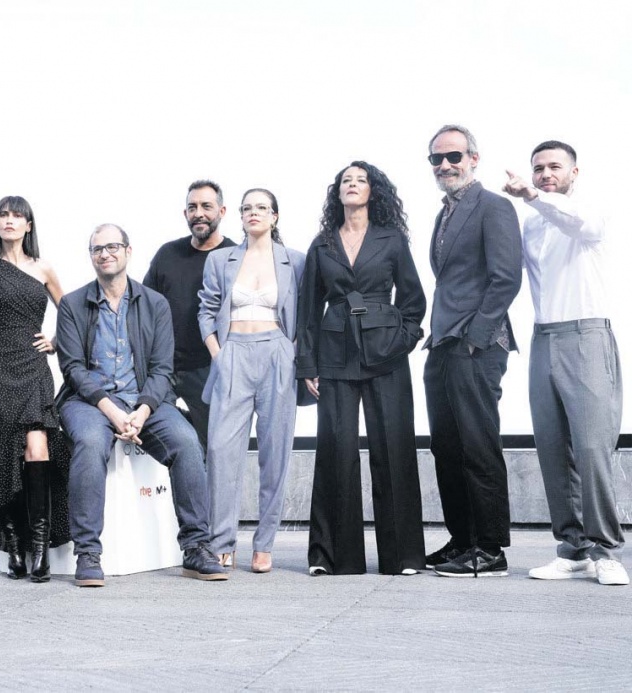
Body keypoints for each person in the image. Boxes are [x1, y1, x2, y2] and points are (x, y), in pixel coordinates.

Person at [57, 223, 226, 587]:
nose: (105, 254)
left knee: (186, 442)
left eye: (112, 246)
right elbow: (72, 369)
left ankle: (196, 547)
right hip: (89, 402)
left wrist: (143, 410)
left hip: (144, 400)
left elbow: (163, 368)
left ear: (128, 252)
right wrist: (112, 411)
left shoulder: (154, 303)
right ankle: (88, 552)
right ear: (91, 257)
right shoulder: (72, 304)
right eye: (97, 249)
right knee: (90, 442)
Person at [503, 141, 627, 586]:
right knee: (553, 448)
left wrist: (534, 196)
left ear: (575, 172)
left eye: (555, 166)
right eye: (538, 168)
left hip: (587, 334)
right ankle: (573, 550)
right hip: (543, 337)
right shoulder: (532, 222)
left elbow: (582, 225)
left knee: (592, 449)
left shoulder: (587, 210)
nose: (545, 174)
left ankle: (606, 551)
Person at [297, 162, 427, 576]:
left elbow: (414, 301)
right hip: (335, 353)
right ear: (337, 192)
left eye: (360, 180)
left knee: (394, 449)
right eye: (345, 181)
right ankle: (333, 557)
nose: (352, 185)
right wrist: (308, 365)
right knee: (336, 450)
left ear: (374, 191)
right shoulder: (322, 243)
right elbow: (307, 310)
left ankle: (403, 557)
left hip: (386, 353)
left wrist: (402, 340)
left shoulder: (392, 239)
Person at [422, 125, 522, 577]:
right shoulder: (443, 214)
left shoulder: (494, 206)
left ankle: (491, 547)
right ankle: (463, 540)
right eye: (437, 159)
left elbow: (506, 279)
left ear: (473, 159)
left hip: (477, 345)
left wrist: (475, 338)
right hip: (443, 342)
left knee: (478, 444)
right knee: (447, 446)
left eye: (454, 156)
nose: (445, 165)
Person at [0, 195, 69, 583]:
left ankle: (39, 549)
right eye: (3, 215)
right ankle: (13, 548)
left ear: (28, 225)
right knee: (1, 455)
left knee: (38, 448)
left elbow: (71, 313)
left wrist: (55, 341)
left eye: (17, 215)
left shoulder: (44, 268)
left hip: (34, 366)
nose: (9, 220)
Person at [198, 188, 305, 573]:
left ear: (275, 216)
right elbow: (206, 310)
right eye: (247, 208)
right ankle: (221, 541)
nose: (253, 213)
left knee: (275, 453)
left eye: (261, 207)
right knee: (221, 451)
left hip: (277, 353)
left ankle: (265, 543)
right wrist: (219, 353)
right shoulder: (219, 259)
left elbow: (305, 313)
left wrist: (292, 352)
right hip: (233, 354)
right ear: (239, 216)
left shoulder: (295, 260)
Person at [143, 180, 236, 454]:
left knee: (214, 449)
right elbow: (143, 306)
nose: (199, 213)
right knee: (167, 443)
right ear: (185, 213)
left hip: (209, 370)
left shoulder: (234, 257)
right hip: (163, 369)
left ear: (222, 211)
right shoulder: (167, 254)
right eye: (192, 207)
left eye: (206, 206)